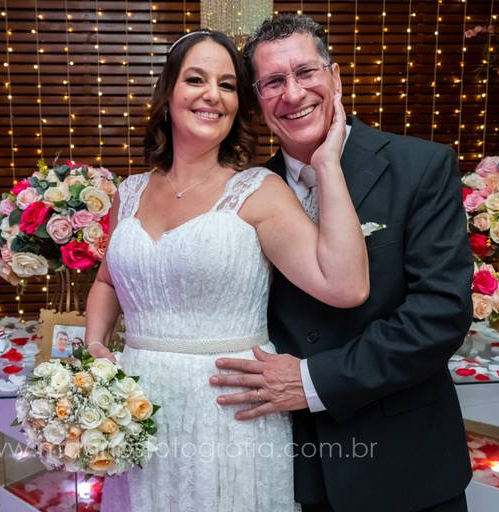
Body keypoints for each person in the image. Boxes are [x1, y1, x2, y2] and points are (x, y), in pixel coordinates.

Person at [84, 29, 369, 512]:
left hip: (228, 409)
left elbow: (346, 286)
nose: (212, 95)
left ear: (239, 104)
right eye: (196, 79)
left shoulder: (259, 190)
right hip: (134, 407)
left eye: (228, 84)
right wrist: (95, 345)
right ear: (169, 92)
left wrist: (327, 165)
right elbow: (107, 281)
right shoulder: (128, 193)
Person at [212, 14, 474, 512]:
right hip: (290, 467)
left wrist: (314, 381)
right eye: (273, 82)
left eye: (305, 72)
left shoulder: (421, 167)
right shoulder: (244, 192)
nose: (293, 93)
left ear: (334, 76)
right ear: (257, 99)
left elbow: (440, 315)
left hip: (406, 466)